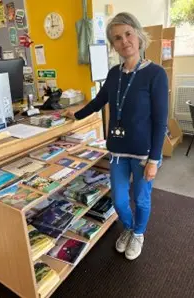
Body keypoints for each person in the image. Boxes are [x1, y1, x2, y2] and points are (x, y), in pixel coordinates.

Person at [65, 12, 168, 260]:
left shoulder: (156, 74)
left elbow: (160, 120)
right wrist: (76, 115)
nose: (124, 41)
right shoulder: (113, 74)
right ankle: (130, 228)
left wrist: (155, 159)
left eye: (128, 34)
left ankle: (139, 233)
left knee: (141, 200)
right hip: (118, 151)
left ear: (138, 34)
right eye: (117, 38)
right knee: (120, 201)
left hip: (144, 153)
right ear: (113, 45)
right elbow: (99, 101)